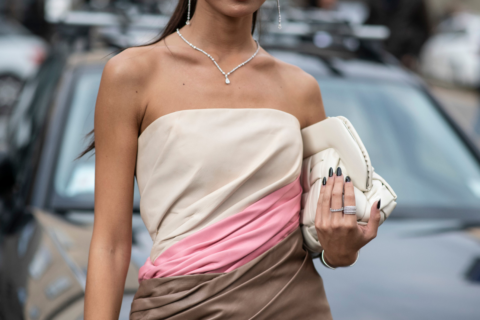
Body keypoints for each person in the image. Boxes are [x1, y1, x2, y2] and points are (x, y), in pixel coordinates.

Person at [81, 0, 382, 318]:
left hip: (293, 305)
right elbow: (110, 246)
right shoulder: (132, 74)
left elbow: (320, 232)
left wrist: (340, 251)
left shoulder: (301, 89)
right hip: (179, 307)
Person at [365, 0, 431, 69]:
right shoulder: (376, 2)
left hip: (403, 58)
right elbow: (369, 27)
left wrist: (412, 54)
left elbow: (424, 29)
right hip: (377, 55)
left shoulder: (414, 2)